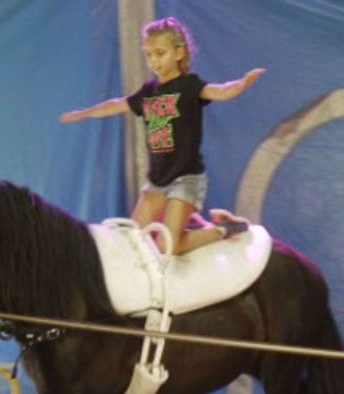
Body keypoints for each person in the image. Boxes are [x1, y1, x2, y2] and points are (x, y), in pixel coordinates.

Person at [61, 17, 265, 255]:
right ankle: (194, 222)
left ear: (179, 53)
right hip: (158, 180)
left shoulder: (189, 86)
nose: (153, 61)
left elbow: (220, 91)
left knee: (167, 245)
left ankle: (226, 229)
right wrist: (84, 113)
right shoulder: (149, 92)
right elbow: (117, 105)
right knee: (133, 240)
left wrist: (241, 84)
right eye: (149, 55)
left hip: (186, 178)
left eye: (160, 53)